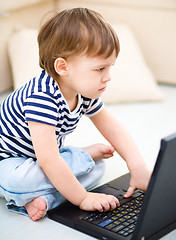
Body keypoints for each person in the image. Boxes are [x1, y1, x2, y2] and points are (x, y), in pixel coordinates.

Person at [0, 8, 151, 221]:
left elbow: (113, 128)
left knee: (97, 168)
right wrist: (83, 199)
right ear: (62, 67)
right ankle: (63, 177)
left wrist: (138, 167)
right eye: (100, 69)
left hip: (45, 159)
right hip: (10, 161)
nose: (108, 77)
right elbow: (49, 160)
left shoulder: (84, 91)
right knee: (18, 182)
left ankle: (44, 197)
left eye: (110, 67)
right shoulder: (41, 98)